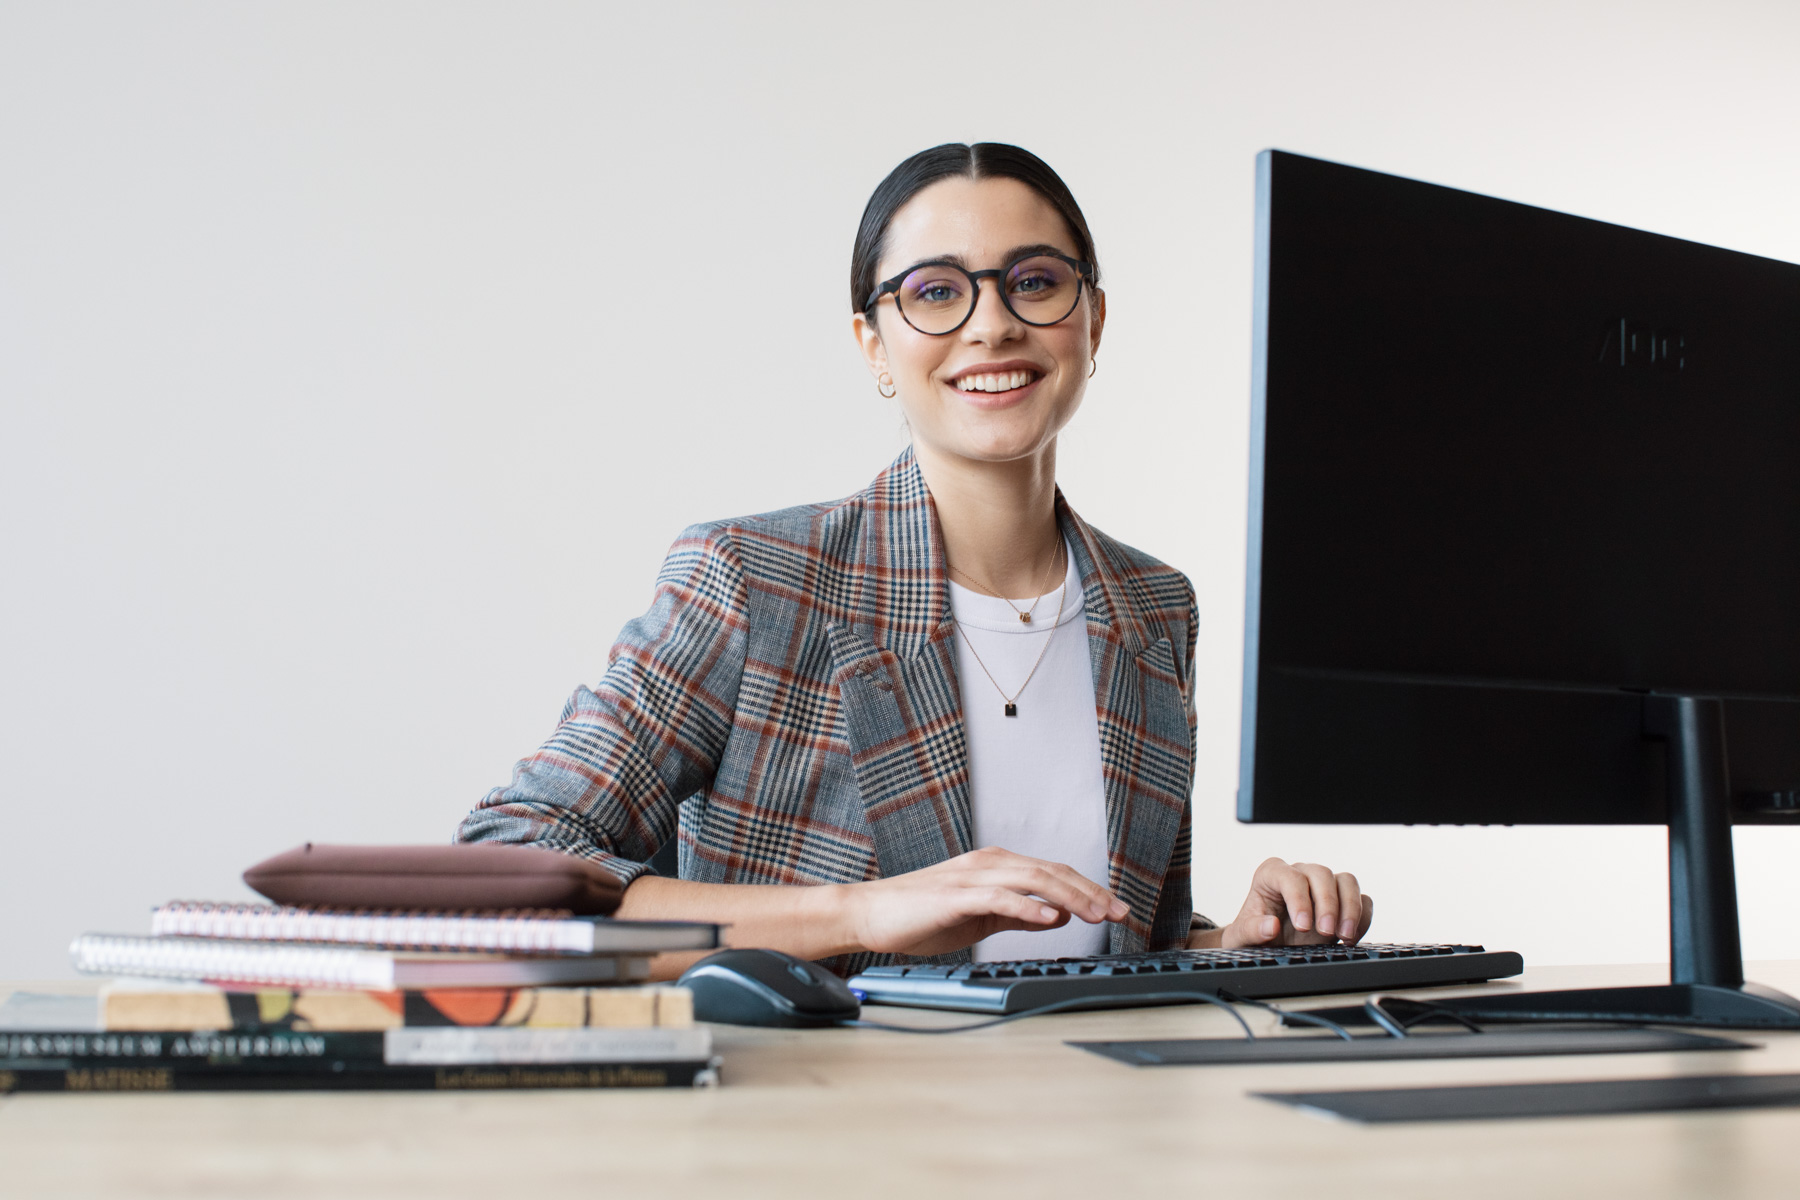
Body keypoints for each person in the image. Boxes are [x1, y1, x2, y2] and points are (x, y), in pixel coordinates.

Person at [456, 143, 1373, 977]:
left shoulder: (1154, 607)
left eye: (1036, 282)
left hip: (1102, 1129)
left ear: (1092, 320)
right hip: (832, 1134)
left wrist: (1231, 944)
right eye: (936, 292)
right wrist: (865, 912)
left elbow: (1110, 946)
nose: (993, 326)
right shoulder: (754, 578)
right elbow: (500, 872)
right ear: (874, 346)